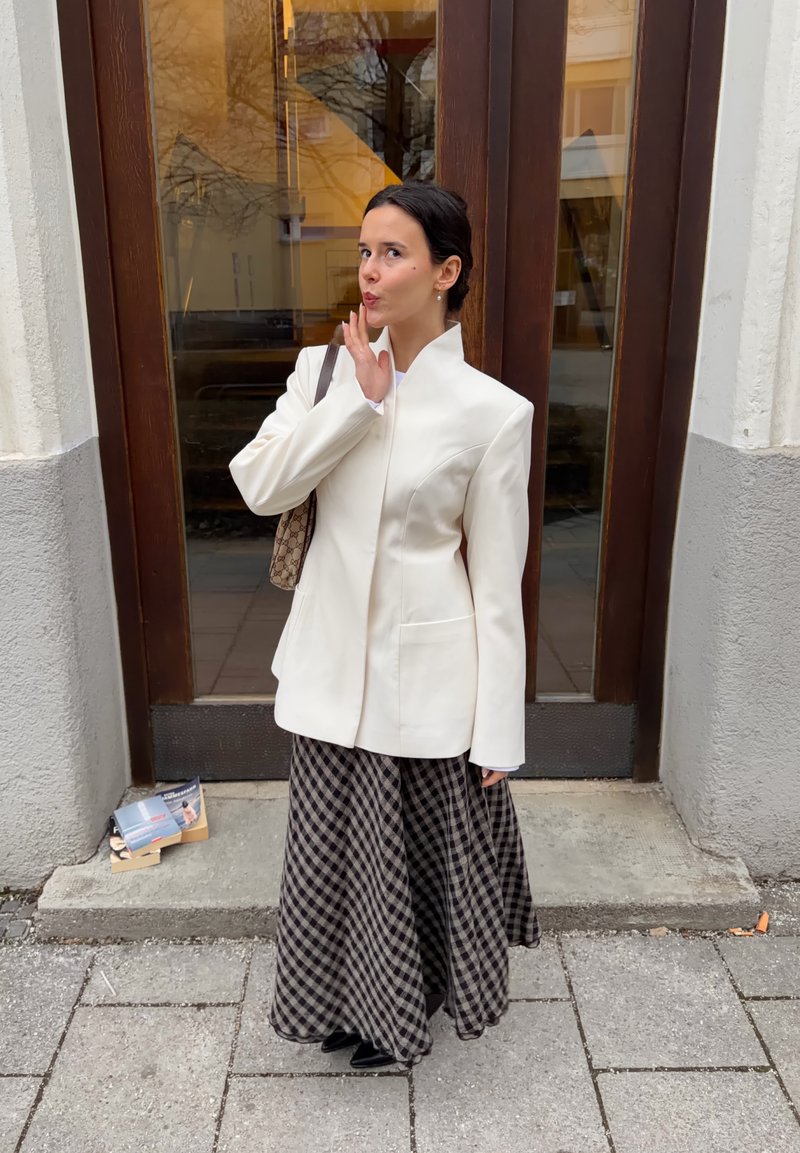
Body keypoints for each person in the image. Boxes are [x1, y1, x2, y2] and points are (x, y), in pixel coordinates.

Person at [229, 180, 540, 1070]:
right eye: (364, 251)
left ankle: (404, 1011)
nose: (370, 271)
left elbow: (495, 583)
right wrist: (355, 405)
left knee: (411, 864)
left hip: (427, 680)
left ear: (446, 272)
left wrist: (499, 729)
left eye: (393, 253)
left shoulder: (494, 414)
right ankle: (339, 1004)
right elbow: (260, 487)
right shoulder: (321, 373)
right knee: (333, 861)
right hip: (330, 667)